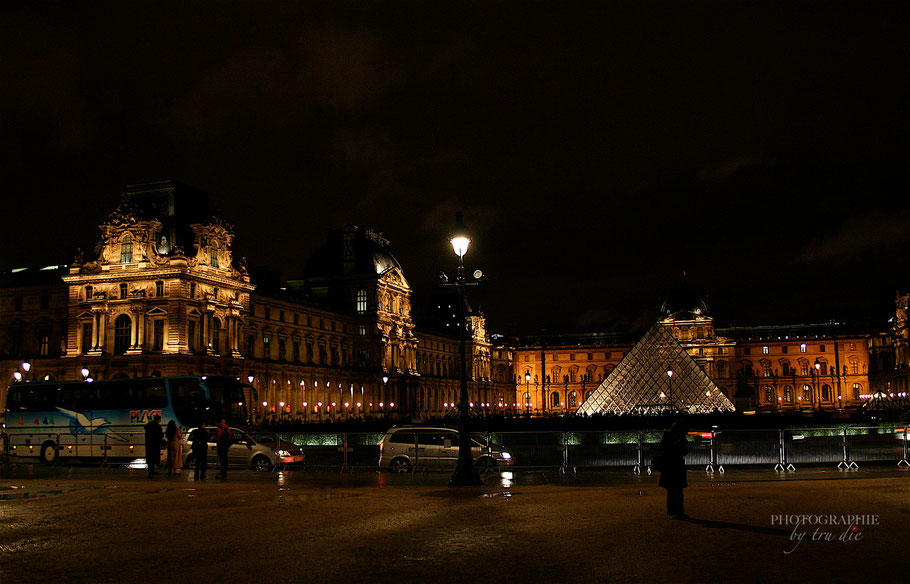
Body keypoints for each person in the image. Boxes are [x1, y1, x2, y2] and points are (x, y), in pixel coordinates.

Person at [657, 418, 689, 519]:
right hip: (673, 465)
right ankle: (674, 511)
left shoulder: (669, 435)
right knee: (675, 491)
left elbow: (684, 451)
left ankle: (676, 511)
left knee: (675, 491)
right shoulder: (672, 436)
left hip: (671, 465)